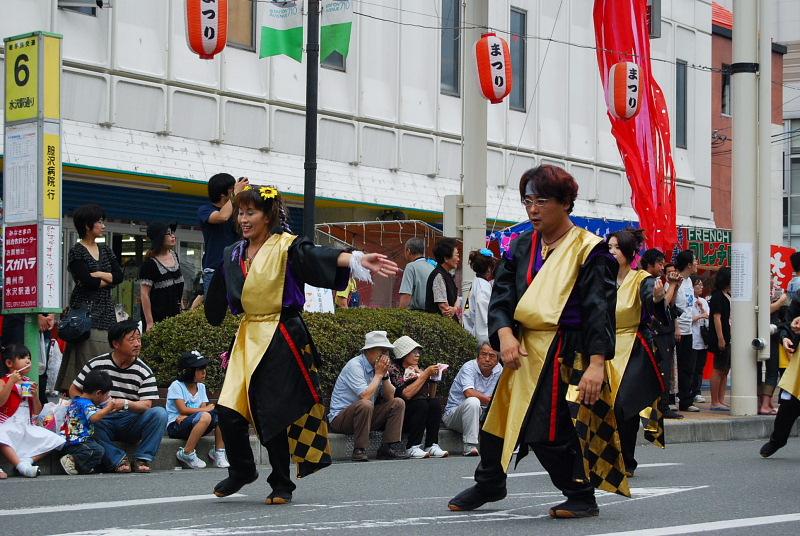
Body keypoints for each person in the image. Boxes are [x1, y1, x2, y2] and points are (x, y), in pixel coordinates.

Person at [449, 165, 625, 519]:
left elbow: (599, 311)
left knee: (548, 429)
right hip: (522, 348)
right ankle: (490, 483)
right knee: (494, 421)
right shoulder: (523, 245)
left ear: (565, 203)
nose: (532, 209)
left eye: (541, 201)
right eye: (528, 200)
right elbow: (501, 297)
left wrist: (596, 364)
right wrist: (504, 334)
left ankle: (580, 493)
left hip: (567, 351)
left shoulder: (590, 251)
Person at [204, 186, 399, 504]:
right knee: (228, 409)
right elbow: (220, 293)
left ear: (267, 216)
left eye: (250, 212)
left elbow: (316, 255)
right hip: (247, 336)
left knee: (274, 411)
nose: (243, 219)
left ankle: (281, 482)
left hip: (282, 334)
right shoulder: (234, 253)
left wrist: (356, 258)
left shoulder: (286, 247)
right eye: (240, 212)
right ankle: (242, 469)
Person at [68, 320, 167, 473]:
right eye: (131, 339)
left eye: (139, 339)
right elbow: (74, 389)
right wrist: (89, 407)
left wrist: (124, 404)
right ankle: (118, 459)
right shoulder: (96, 365)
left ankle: (143, 458)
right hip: (102, 418)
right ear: (116, 344)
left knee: (159, 414)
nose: (137, 344)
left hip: (130, 420)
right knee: (88, 420)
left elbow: (146, 405)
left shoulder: (144, 371)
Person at [606, 229, 667, 477]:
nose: (610, 251)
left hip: (632, 347)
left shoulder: (642, 278)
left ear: (629, 253)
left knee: (624, 405)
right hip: (602, 346)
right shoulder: (600, 278)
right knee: (596, 405)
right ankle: (598, 457)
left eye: (616, 248)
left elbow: (651, 299)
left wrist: (657, 298)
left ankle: (626, 460)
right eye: (608, 247)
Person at [56, 204, 124, 393]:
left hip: (106, 312)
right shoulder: (76, 251)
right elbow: (87, 282)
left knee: (106, 355)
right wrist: (106, 279)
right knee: (84, 359)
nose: (103, 225)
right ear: (87, 225)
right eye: (99, 222)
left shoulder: (106, 249)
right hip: (84, 314)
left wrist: (99, 273)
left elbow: (119, 277)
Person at [328, 331, 409, 462]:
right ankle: (359, 449)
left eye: (387, 352)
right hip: (340, 419)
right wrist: (378, 375)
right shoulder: (355, 365)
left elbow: (390, 397)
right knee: (365, 403)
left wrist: (385, 376)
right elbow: (365, 395)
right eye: (381, 351)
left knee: (398, 403)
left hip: (365, 416)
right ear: (368, 351)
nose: (385, 356)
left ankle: (388, 447)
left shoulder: (379, 369)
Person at [0, 344, 65, 477]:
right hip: (7, 423)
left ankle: (27, 460)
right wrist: (11, 382)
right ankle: (21, 466)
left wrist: (35, 396)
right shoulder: (3, 381)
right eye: (23, 357)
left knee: (56, 439)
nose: (28, 361)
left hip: (26, 425)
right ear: (9, 363)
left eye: (29, 358)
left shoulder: (29, 382)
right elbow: (1, 401)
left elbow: (37, 411)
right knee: (2, 437)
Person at [386, 336, 448, 459]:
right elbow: (406, 394)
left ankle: (431, 444)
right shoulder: (393, 369)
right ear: (403, 354)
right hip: (399, 414)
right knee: (420, 403)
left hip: (418, 412)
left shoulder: (418, 369)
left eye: (418, 352)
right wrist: (424, 375)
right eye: (413, 352)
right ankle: (412, 446)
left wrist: (434, 379)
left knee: (434, 403)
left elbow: (431, 395)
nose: (417, 355)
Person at [166, 351, 228, 469]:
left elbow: (203, 409)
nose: (204, 372)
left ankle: (219, 452)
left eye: (204, 368)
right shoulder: (176, 386)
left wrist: (196, 413)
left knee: (222, 414)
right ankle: (187, 453)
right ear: (188, 371)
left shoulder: (201, 386)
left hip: (194, 422)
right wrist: (200, 411)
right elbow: (182, 409)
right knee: (205, 415)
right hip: (176, 426)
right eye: (199, 369)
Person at [640, 249, 683, 420]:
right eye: (659, 263)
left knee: (663, 369)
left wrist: (675, 286)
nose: (662, 266)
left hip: (661, 331)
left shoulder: (653, 280)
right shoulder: (648, 280)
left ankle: (661, 405)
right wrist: (672, 285)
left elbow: (670, 306)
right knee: (660, 370)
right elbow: (661, 305)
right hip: (654, 333)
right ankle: (660, 407)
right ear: (650, 264)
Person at [442, 341, 502, 456]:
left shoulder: (499, 370)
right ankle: (470, 446)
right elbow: (469, 393)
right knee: (473, 401)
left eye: (492, 356)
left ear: (497, 360)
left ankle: (509, 442)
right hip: (454, 416)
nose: (487, 359)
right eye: (484, 354)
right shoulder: (469, 367)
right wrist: (491, 401)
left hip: (482, 416)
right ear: (477, 356)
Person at [198, 173, 249, 295]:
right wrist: (235, 194)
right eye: (232, 188)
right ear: (222, 194)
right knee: (215, 310)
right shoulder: (205, 210)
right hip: (214, 269)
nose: (235, 190)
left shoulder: (238, 211)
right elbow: (222, 216)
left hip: (236, 268)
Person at [59, 369, 117, 475]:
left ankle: (83, 467)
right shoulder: (86, 404)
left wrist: (106, 410)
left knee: (96, 448)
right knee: (98, 450)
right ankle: (70, 460)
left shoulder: (78, 400)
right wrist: (109, 408)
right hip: (76, 441)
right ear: (98, 393)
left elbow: (93, 413)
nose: (107, 397)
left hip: (71, 439)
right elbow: (94, 418)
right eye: (106, 394)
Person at [762, 309, 800, 458]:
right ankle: (777, 440)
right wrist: (785, 337)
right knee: (787, 407)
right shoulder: (797, 300)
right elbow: (786, 324)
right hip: (797, 369)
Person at [139, 222, 184, 332]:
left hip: (175, 318)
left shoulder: (175, 256)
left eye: (172, 233)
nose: (173, 236)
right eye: (168, 234)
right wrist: (150, 322)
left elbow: (178, 288)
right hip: (157, 320)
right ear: (159, 238)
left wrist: (182, 309)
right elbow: (144, 295)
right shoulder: (149, 264)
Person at [673, 250, 700, 413]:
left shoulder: (689, 281)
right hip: (678, 331)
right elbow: (671, 306)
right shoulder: (676, 281)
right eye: (695, 260)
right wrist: (676, 327)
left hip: (689, 330)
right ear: (689, 264)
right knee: (677, 367)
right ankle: (672, 399)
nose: (697, 263)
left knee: (688, 367)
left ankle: (685, 400)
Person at [760, 280, 787, 415]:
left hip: (770, 335)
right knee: (772, 370)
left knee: (768, 371)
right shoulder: (759, 294)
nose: (771, 280)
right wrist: (780, 302)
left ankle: (766, 402)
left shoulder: (763, 293)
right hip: (770, 335)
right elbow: (766, 310)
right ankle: (764, 404)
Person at [707, 268, 732, 410]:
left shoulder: (726, 294)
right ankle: (714, 401)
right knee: (718, 369)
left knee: (725, 369)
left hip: (729, 336)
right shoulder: (717, 296)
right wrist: (721, 338)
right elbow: (717, 318)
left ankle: (720, 400)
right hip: (721, 337)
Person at [462, 249, 497, 342]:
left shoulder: (477, 281)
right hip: (482, 339)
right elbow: (483, 320)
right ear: (489, 268)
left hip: (472, 333)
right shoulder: (483, 288)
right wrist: (487, 343)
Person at [425, 238, 461, 319]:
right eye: (457, 256)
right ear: (446, 258)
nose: (458, 259)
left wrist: (454, 309)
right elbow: (445, 310)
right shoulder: (438, 275)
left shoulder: (447, 275)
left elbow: (457, 298)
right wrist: (454, 309)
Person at [689, 276, 710, 405]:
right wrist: (700, 316)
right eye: (698, 285)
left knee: (699, 367)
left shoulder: (703, 301)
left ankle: (697, 391)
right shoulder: (688, 299)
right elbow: (687, 318)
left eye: (702, 285)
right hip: (692, 336)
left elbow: (708, 316)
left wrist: (702, 309)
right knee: (690, 366)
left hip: (703, 338)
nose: (701, 287)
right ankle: (688, 391)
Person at [398, 237, 434, 310]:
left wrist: (399, 312)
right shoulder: (432, 267)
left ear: (408, 251)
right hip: (432, 314)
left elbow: (406, 294)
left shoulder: (410, 267)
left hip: (415, 314)